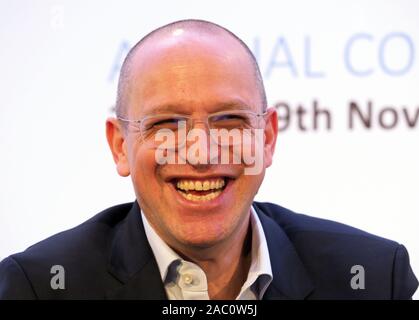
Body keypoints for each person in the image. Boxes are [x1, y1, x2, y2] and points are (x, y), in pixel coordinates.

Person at [0, 19, 417, 300]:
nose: (201, 153)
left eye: (229, 120)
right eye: (166, 123)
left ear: (267, 138)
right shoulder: (38, 287)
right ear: (120, 145)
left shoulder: (373, 279)